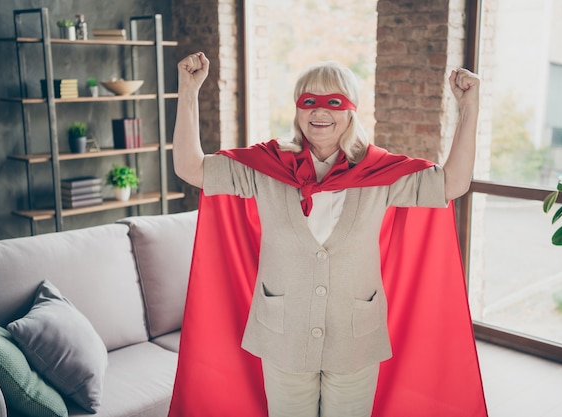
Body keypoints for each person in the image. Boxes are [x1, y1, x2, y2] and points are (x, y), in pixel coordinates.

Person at [168, 51, 487, 417]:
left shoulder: (377, 172)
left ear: (351, 109)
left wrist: (469, 108)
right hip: (283, 335)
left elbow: (452, 183)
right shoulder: (267, 167)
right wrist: (189, 91)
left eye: (333, 102)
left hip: (355, 338)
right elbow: (191, 168)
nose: (319, 112)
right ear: (297, 109)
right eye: (309, 102)